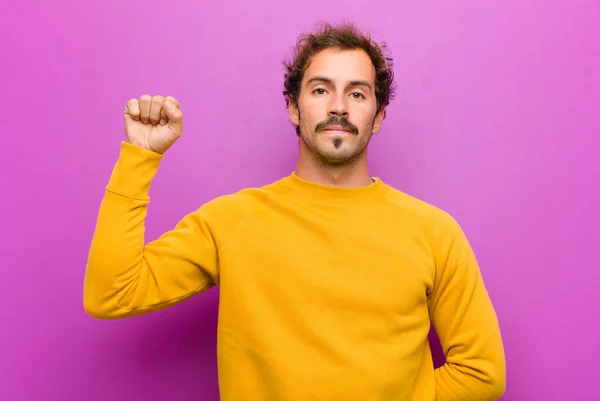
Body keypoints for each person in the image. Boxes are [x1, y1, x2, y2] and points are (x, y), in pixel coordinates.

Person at [84, 21, 506, 401]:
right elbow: (112, 293)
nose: (338, 106)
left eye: (357, 93)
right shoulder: (233, 220)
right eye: (321, 90)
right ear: (293, 107)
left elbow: (482, 371)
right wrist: (139, 157)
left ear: (377, 117)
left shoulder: (433, 231)